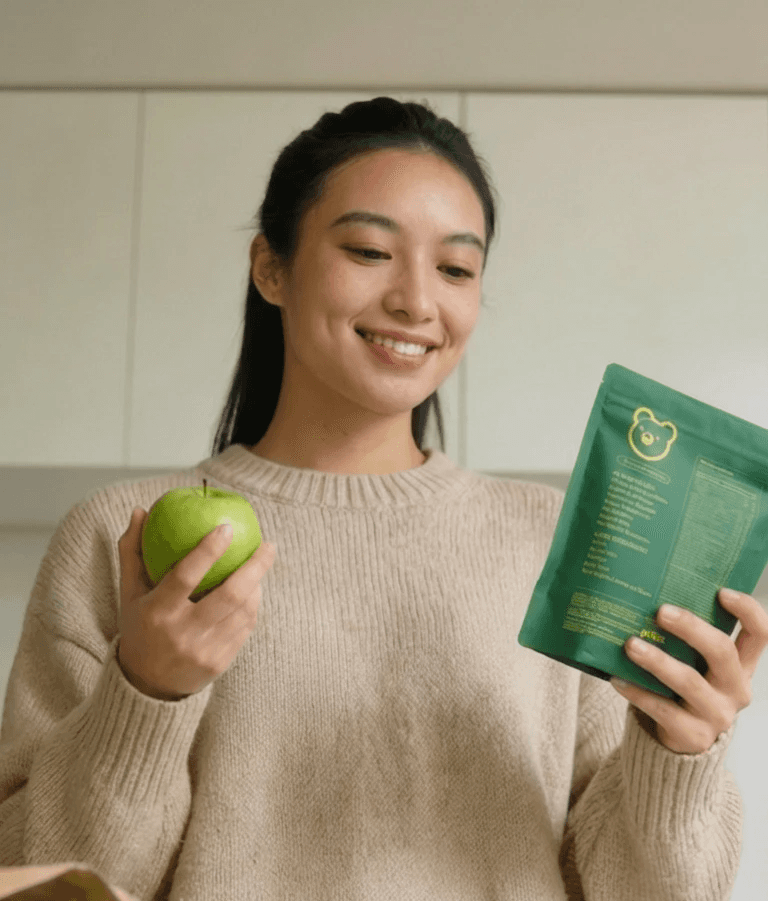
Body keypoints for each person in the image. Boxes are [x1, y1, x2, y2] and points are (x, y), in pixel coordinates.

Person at [0, 96, 764, 901]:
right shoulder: (124, 536)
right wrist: (146, 690)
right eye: (369, 250)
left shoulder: (550, 538)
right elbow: (39, 876)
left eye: (457, 268)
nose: (417, 301)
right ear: (271, 267)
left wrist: (678, 753)